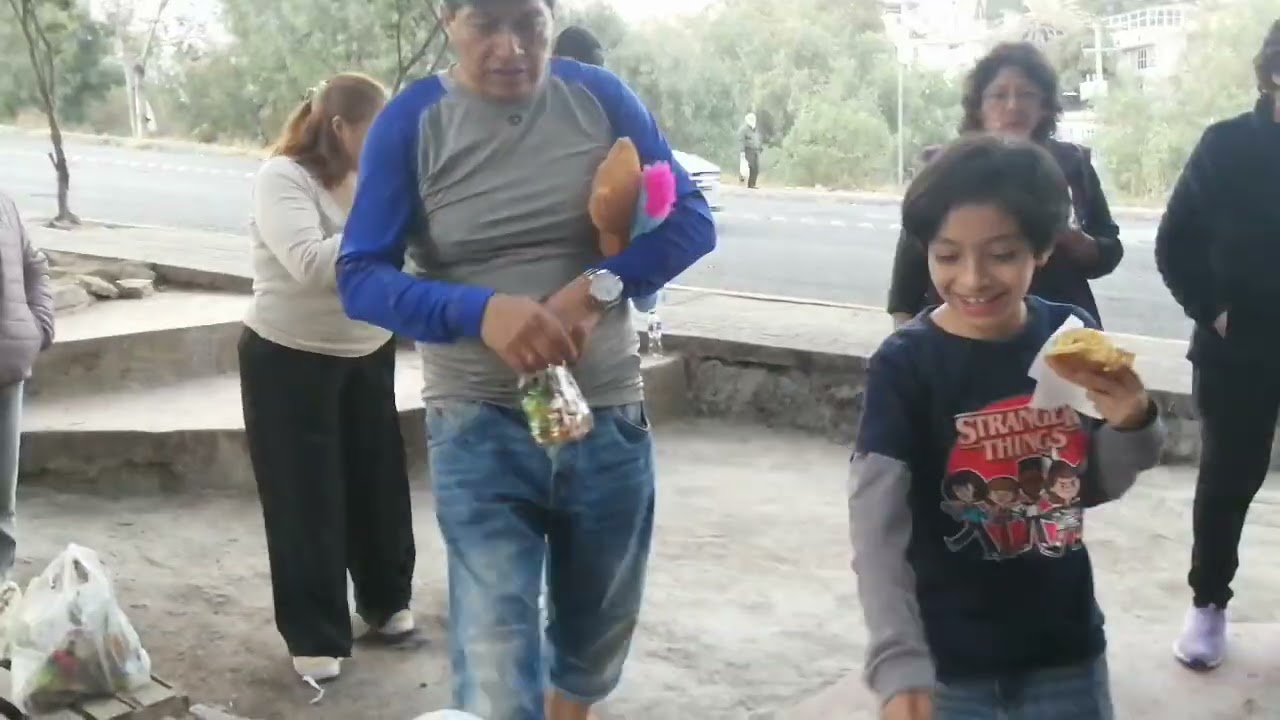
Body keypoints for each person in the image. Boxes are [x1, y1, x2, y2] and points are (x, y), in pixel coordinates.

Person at [336, 0, 716, 718]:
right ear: (447, 17)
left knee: (598, 623)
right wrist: (480, 311)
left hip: (604, 407)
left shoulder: (600, 98)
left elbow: (691, 220)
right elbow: (360, 276)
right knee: (494, 641)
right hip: (478, 420)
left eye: (530, 23)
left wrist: (598, 288)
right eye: (486, 23)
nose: (510, 47)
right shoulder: (413, 122)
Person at [849, 135, 1164, 720]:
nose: (972, 279)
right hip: (948, 664)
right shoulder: (906, 364)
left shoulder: (1067, 338)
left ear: (1041, 250)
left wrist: (1132, 427)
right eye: (947, 256)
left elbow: (1085, 486)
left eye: (1000, 254)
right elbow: (877, 528)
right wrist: (898, 661)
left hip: (1065, 651)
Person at [241, 72, 415, 683]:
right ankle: (315, 634)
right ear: (339, 127)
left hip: (368, 349)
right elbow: (313, 263)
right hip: (288, 355)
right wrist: (392, 227)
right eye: (376, 129)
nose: (389, 141)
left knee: (379, 482)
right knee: (304, 494)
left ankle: (387, 600)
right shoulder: (282, 177)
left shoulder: (381, 177)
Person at [1158, 19, 1280, 672]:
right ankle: (1208, 605)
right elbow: (1173, 242)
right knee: (1231, 478)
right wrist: (1213, 311)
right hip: (1241, 349)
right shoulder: (1226, 146)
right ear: (1273, 72)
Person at [887, 42, 1122, 329]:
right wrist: (903, 322)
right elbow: (914, 247)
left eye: (1026, 95)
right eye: (998, 95)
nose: (1013, 106)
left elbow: (1108, 249)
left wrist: (1077, 241)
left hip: (1059, 331)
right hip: (963, 324)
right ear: (978, 106)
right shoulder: (949, 167)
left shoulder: (1073, 163)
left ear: (1045, 106)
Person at [0, 193, 54, 581]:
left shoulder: (3, 201)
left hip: (7, 365)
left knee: (2, 501)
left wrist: (38, 324)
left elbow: (33, 263)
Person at [738, 112, 762, 188]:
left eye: (754, 119)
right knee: (749, 167)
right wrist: (742, 151)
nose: (753, 120)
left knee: (756, 168)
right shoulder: (743, 129)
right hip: (748, 150)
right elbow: (741, 140)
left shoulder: (755, 129)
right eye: (751, 119)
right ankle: (745, 181)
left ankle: (752, 184)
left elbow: (757, 139)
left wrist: (760, 147)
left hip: (756, 151)